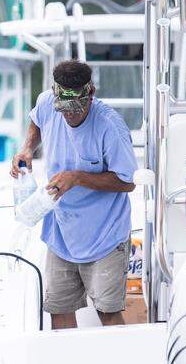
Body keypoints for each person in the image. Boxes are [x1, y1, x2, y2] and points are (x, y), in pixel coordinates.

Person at [10, 59, 137, 329]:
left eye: (75, 110)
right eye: (63, 110)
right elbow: (37, 121)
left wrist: (77, 178)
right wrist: (27, 149)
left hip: (105, 235)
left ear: (90, 94)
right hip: (61, 234)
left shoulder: (110, 126)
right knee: (59, 310)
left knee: (108, 312)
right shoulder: (47, 101)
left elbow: (128, 183)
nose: (69, 115)